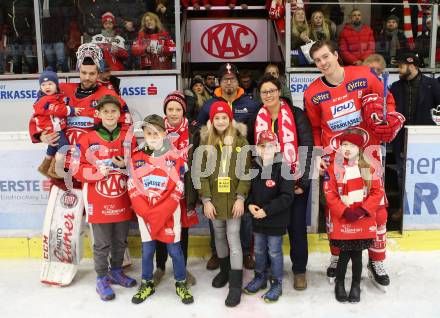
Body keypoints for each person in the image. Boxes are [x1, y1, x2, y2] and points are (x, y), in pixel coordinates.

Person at [303, 40, 405, 290]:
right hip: (335, 157)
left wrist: (387, 117)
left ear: (336, 55)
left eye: (326, 56)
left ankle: (376, 261)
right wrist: (319, 155)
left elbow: (386, 103)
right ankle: (337, 256)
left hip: (368, 154)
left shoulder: (363, 75)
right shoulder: (312, 93)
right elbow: (315, 128)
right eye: (317, 60)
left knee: (377, 208)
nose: (323, 63)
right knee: (336, 210)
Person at [29, 43, 131, 182]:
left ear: (99, 72)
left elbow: (126, 126)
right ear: (78, 70)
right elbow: (38, 115)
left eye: (92, 73)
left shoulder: (109, 96)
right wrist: (41, 136)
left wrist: (112, 151)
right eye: (83, 73)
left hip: (93, 166)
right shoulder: (62, 91)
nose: (87, 77)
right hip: (61, 168)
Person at [196, 63, 260, 271]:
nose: (229, 82)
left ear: (238, 81)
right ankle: (217, 252)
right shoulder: (209, 104)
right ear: (219, 82)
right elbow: (201, 131)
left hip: (242, 164)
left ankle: (246, 252)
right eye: (225, 79)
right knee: (217, 213)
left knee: (244, 214)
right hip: (216, 166)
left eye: (232, 79)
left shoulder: (250, 103)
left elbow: (258, 132)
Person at [252, 74, 313, 290]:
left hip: (294, 181)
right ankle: (265, 270)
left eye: (272, 90)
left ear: (279, 91)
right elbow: (253, 151)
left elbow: (306, 146)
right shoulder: (256, 116)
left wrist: (303, 182)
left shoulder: (296, 115)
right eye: (264, 92)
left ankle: (299, 271)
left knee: (296, 228)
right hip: (268, 184)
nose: (268, 95)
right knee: (267, 228)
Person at [75, 95, 136, 301]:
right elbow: (75, 168)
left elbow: (139, 163)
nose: (110, 114)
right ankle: (101, 277)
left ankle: (116, 270)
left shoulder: (128, 136)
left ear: (120, 114)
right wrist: (96, 170)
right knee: (101, 244)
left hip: (122, 197)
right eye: (106, 111)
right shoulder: (86, 137)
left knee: (120, 240)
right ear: (98, 114)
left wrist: (125, 165)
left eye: (114, 111)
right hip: (98, 199)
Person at [128, 114, 194, 305]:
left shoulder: (175, 157)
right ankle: (147, 282)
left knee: (175, 251)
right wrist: (146, 211)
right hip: (145, 214)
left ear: (165, 133)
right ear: (144, 135)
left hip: (169, 214)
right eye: (149, 133)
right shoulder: (137, 157)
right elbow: (132, 186)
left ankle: (181, 282)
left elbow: (179, 187)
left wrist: (163, 210)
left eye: (157, 132)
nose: (153, 136)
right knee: (147, 251)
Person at [198, 101, 251, 307]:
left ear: (230, 120)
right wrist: (206, 200)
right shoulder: (205, 143)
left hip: (233, 201)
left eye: (224, 118)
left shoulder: (240, 143)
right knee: (219, 237)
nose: (220, 121)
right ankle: (225, 271)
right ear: (211, 121)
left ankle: (235, 285)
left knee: (233, 238)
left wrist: (240, 198)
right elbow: (201, 174)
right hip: (214, 202)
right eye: (217, 118)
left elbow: (246, 174)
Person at [324, 130, 383, 303]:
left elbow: (376, 191)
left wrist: (362, 210)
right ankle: (340, 283)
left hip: (362, 218)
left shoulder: (368, 168)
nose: (347, 148)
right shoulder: (334, 168)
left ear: (359, 147)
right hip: (343, 218)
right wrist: (344, 211)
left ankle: (356, 285)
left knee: (357, 254)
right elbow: (330, 193)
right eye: (344, 145)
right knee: (343, 253)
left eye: (351, 145)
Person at [153, 92, 199, 287]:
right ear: (165, 110)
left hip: (183, 191)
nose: (174, 113)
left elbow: (197, 162)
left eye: (178, 109)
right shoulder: (156, 130)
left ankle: (182, 267)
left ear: (184, 111)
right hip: (162, 191)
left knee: (182, 232)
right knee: (160, 229)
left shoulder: (193, 132)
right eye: (170, 109)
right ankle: (161, 267)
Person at [243, 130, 294, 302]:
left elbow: (287, 197)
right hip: (258, 221)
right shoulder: (254, 167)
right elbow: (248, 191)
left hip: (275, 221)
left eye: (271, 146)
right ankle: (260, 277)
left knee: (274, 251)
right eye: (263, 146)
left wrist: (267, 210)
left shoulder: (284, 167)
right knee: (258, 250)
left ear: (278, 147)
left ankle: (276, 281)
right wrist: (249, 204)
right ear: (257, 148)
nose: (266, 150)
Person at [390, 52, 440, 220]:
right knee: (401, 174)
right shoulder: (395, 87)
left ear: (412, 65)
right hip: (401, 138)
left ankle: (424, 209)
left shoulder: (432, 84)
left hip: (425, 140)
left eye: (401, 66)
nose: (398, 69)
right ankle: (403, 208)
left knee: (425, 174)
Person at [30, 70, 82, 179]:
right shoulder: (45, 100)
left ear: (56, 85)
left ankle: (45, 165)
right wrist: (72, 110)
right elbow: (58, 109)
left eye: (50, 84)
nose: (47, 87)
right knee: (63, 146)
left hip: (56, 128)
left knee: (52, 146)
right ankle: (56, 169)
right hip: (53, 129)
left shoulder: (55, 96)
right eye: (43, 85)